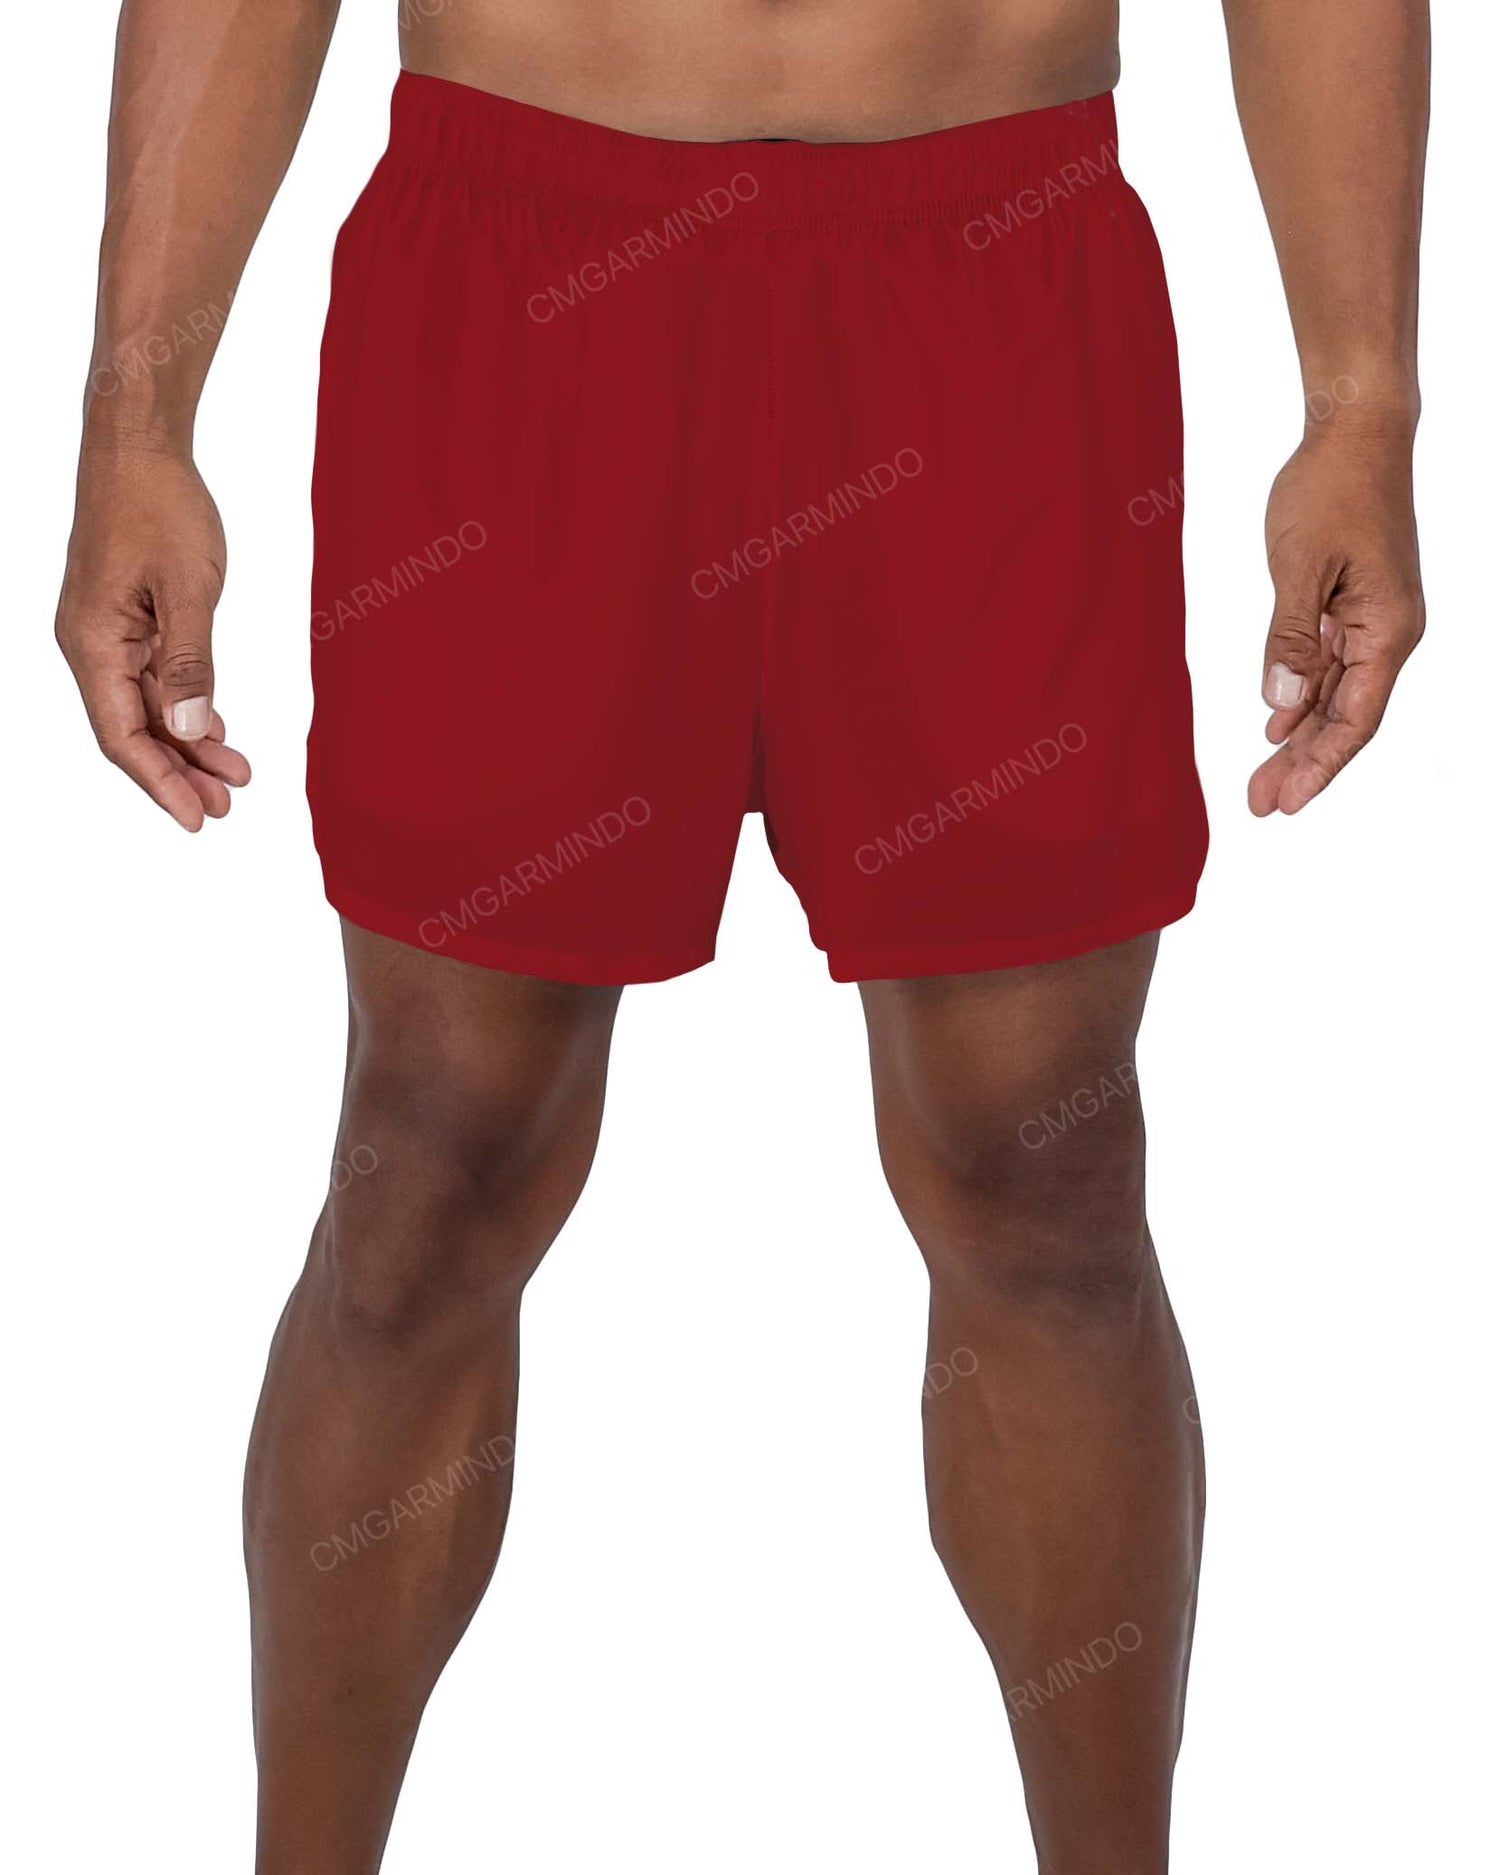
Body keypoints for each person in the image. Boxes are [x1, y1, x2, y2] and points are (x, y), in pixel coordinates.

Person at [53, 0, 1429, 1868]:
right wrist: (137, 420)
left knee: (1047, 1185)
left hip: (995, 275)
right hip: (520, 275)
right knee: (427, 1170)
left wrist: (1362, 404)